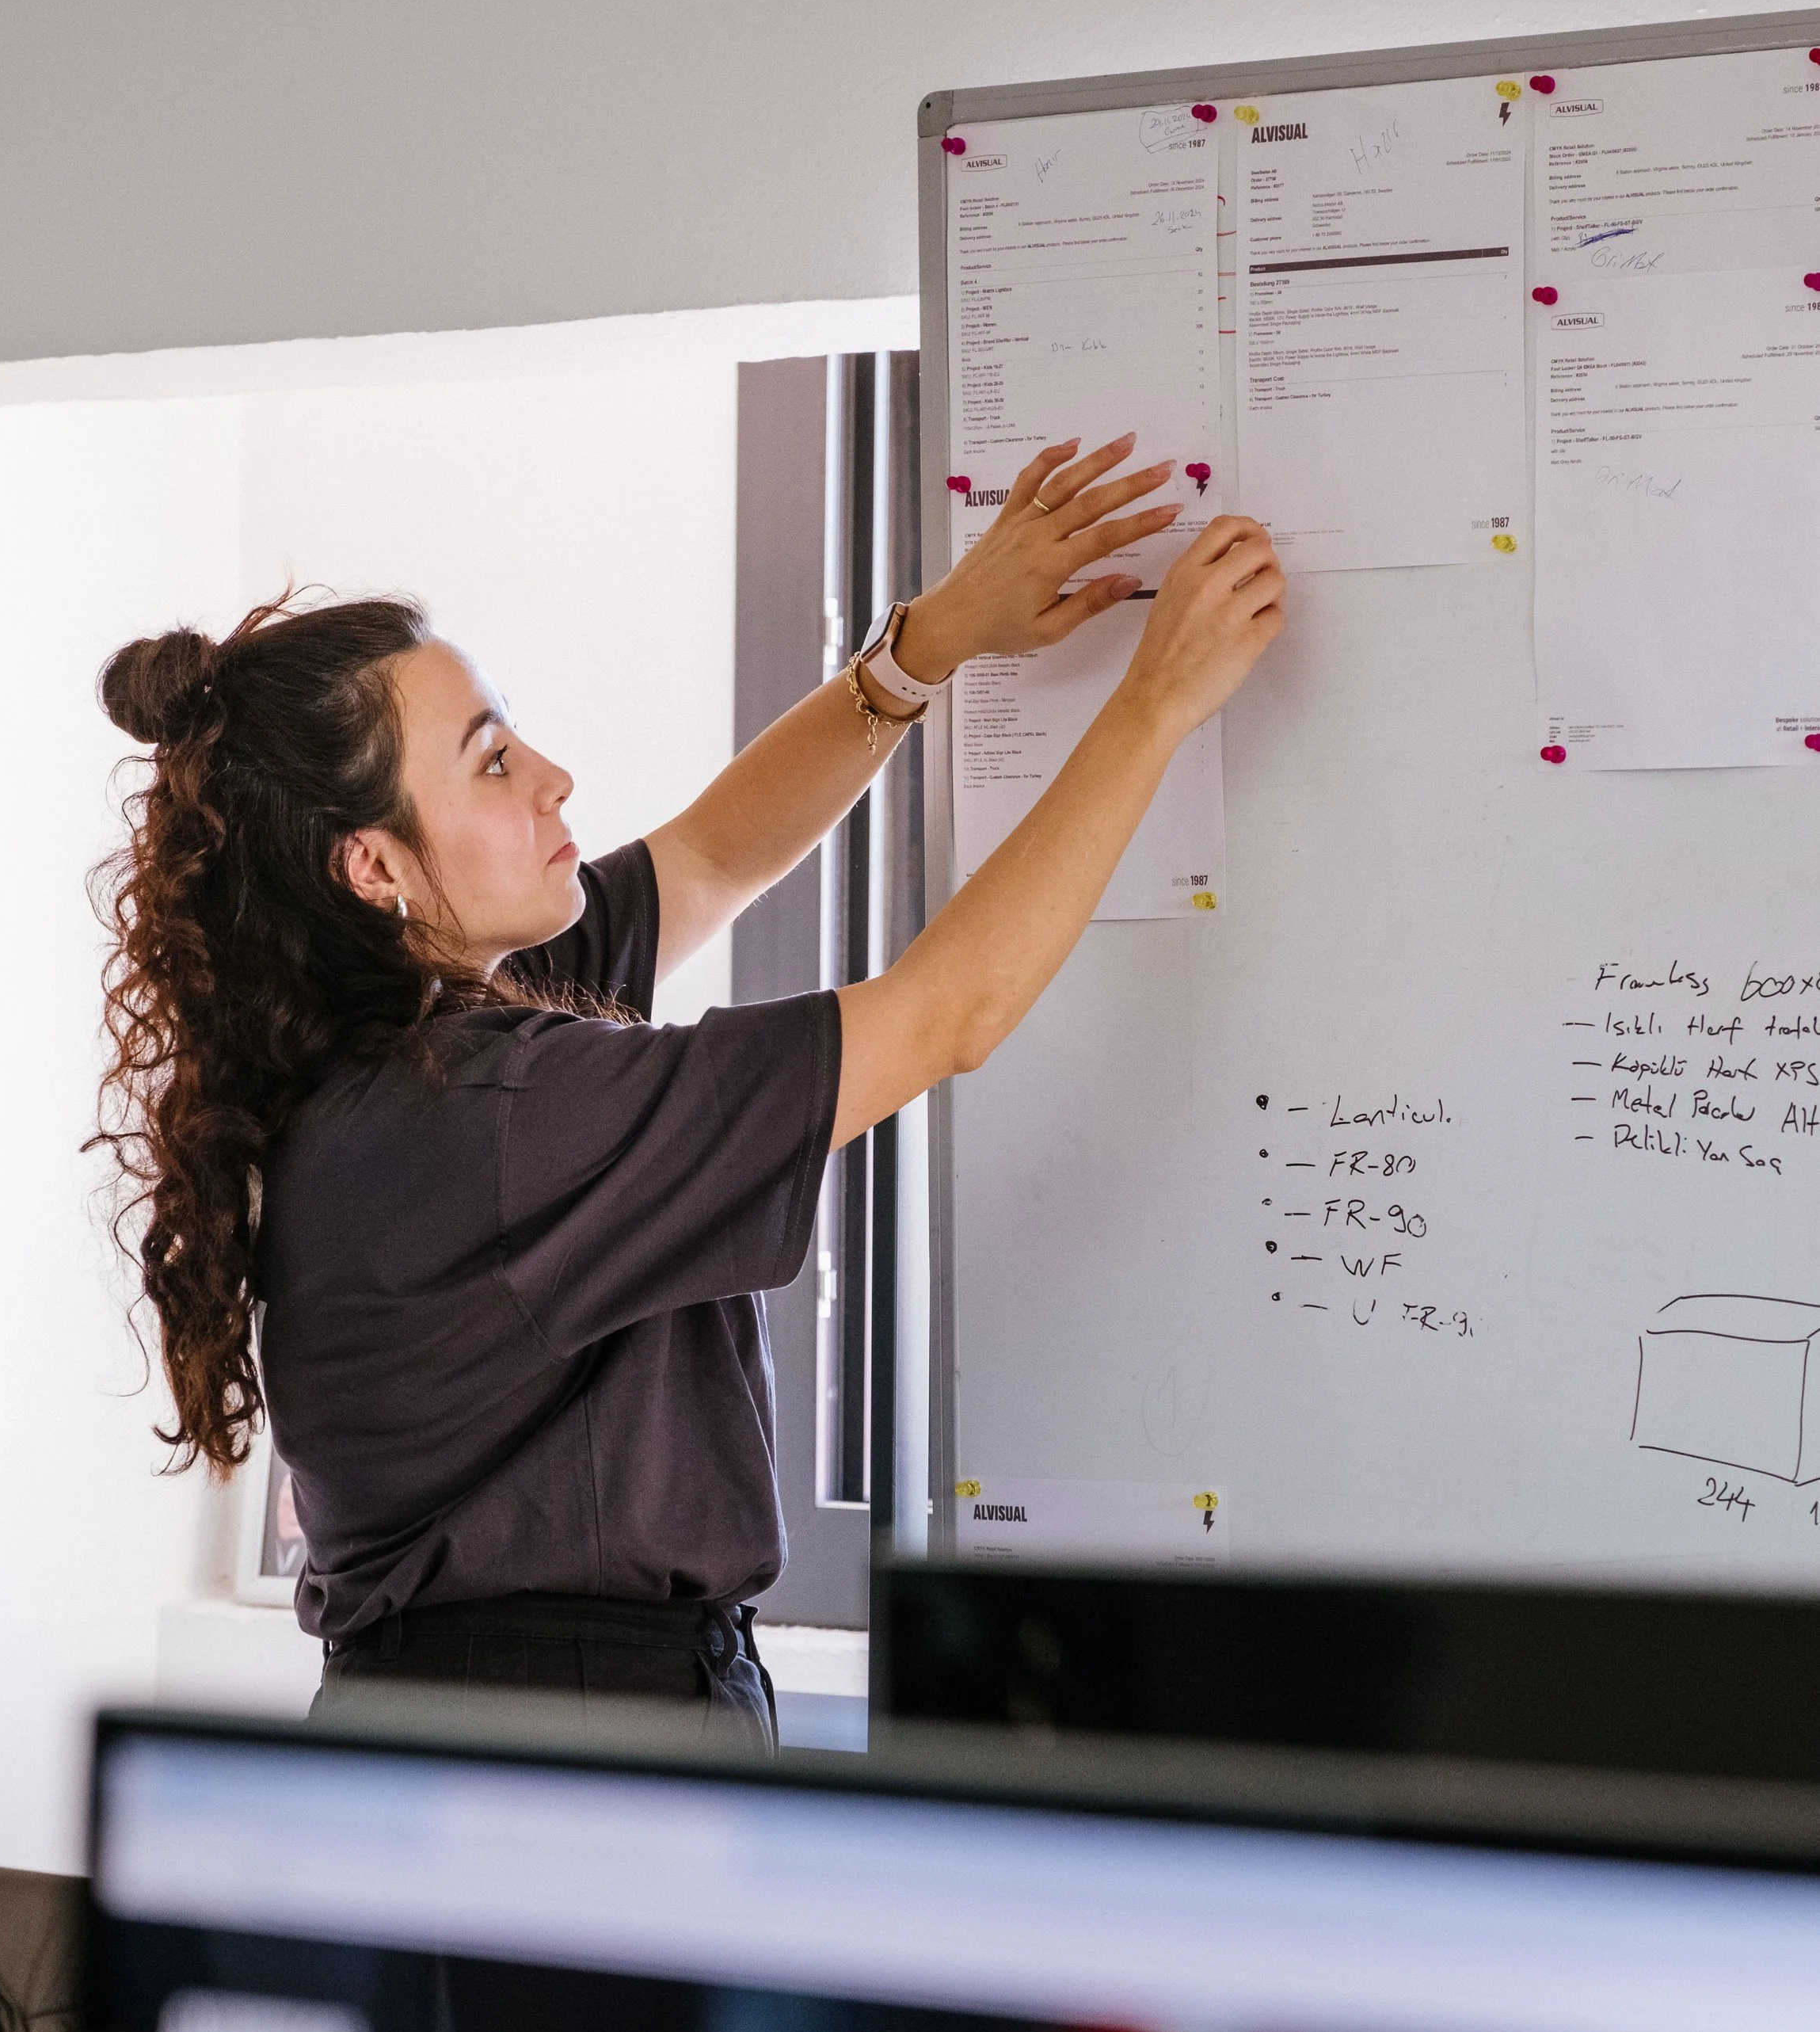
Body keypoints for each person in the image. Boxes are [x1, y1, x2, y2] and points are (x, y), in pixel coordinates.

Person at [95, 437, 1283, 1744]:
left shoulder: (416, 1038)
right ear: (373, 867)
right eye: (492, 761)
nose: (553, 777)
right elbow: (951, 1013)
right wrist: (1155, 703)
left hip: (495, 1724)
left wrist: (926, 644)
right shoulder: (488, 1116)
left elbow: (717, 852)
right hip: (552, 1740)